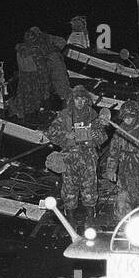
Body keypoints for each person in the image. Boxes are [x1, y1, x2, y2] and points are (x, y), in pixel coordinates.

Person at [45, 85, 108, 226]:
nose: (80, 102)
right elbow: (50, 132)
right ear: (72, 100)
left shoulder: (93, 116)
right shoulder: (64, 115)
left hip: (89, 157)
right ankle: (71, 219)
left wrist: (95, 134)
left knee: (90, 188)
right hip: (69, 157)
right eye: (77, 99)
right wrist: (66, 135)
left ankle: (91, 217)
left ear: (87, 100)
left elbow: (103, 136)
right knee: (69, 189)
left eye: (83, 99)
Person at [103, 99, 139, 219]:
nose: (127, 119)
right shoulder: (120, 130)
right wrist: (111, 170)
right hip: (125, 170)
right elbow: (113, 152)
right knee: (123, 199)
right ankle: (123, 226)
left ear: (136, 115)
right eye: (125, 117)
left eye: (131, 116)